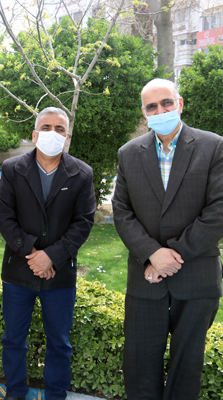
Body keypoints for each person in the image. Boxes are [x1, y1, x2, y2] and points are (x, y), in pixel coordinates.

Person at [112, 78, 223, 399]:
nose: (160, 110)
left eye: (167, 103)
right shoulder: (128, 154)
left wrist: (170, 255)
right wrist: (152, 253)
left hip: (197, 277)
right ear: (144, 113)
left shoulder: (214, 146)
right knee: (139, 366)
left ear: (180, 104)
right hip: (145, 278)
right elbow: (121, 212)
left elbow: (218, 210)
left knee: (187, 369)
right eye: (152, 106)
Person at [0, 107, 96, 400]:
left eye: (60, 129)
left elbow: (83, 222)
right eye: (46, 127)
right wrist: (33, 253)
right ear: (34, 134)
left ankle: (55, 395)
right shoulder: (12, 168)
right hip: (18, 270)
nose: (53, 133)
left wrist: (51, 256)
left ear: (67, 136)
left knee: (60, 343)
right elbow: (4, 216)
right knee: (13, 340)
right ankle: (15, 393)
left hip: (60, 272)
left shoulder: (82, 173)